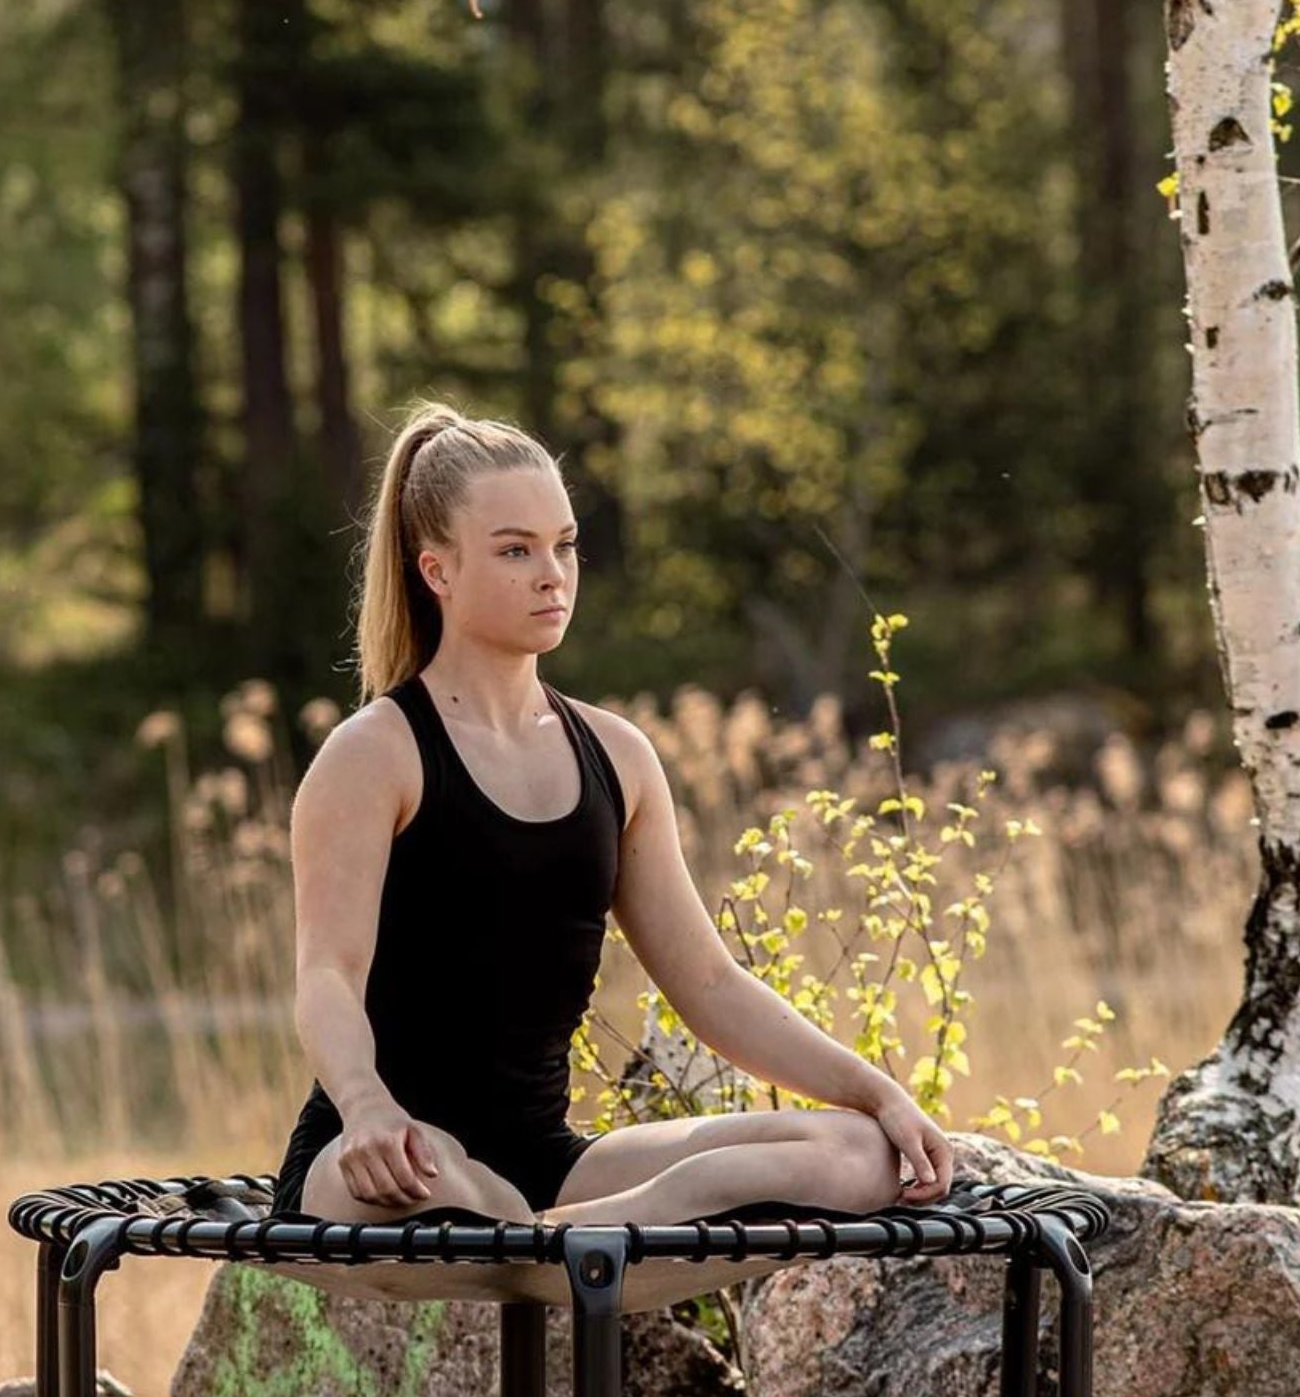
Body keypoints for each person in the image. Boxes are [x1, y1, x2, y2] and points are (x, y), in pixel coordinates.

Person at [271, 400, 954, 1231]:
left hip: (549, 1167)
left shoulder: (617, 756)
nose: (552, 574)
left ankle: (562, 1240)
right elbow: (326, 976)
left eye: (564, 546)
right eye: (514, 550)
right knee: (438, 1183)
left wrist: (878, 1092)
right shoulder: (374, 754)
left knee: (861, 1153)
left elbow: (707, 984)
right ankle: (588, 1240)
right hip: (391, 1161)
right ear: (436, 570)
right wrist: (367, 1107)